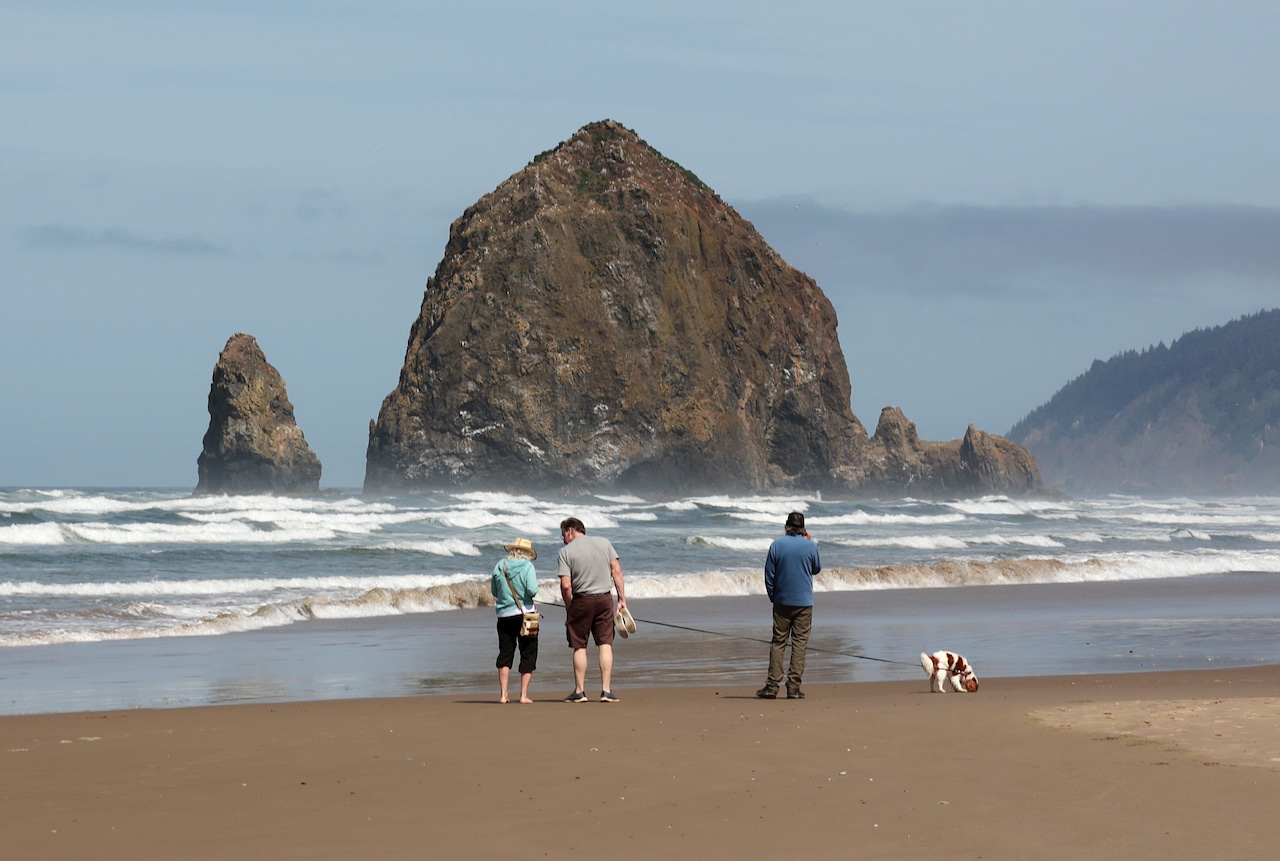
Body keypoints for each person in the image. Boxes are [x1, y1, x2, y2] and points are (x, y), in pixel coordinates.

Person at [557, 517, 627, 703]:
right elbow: (617, 572)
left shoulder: (565, 552)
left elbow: (566, 586)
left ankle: (580, 691)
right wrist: (621, 598)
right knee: (605, 642)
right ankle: (606, 690)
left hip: (582, 600)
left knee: (579, 645)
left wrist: (569, 607)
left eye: (563, 535)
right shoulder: (604, 543)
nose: (563, 540)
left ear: (570, 531)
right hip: (604, 599)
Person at [757, 511, 821, 700]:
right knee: (799, 644)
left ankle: (772, 686)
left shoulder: (777, 545)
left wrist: (773, 596)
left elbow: (769, 574)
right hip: (804, 602)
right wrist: (808, 541)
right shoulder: (810, 546)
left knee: (778, 642)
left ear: (787, 526)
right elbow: (816, 569)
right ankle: (793, 687)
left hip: (782, 601)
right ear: (803, 528)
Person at [491, 537, 540, 704]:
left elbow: (494, 591)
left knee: (505, 653)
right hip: (526, 614)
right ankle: (523, 695)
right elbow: (532, 590)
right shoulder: (528, 566)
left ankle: (504, 694)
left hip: (504, 615)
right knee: (528, 652)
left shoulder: (500, 565)